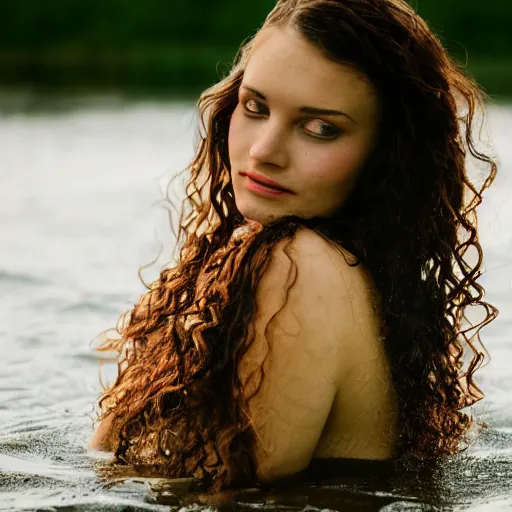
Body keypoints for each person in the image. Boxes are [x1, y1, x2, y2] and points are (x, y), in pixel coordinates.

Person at [90, 0, 498, 492]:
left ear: (388, 156)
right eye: (255, 107)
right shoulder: (351, 274)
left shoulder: (297, 267)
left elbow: (232, 497)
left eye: (321, 128)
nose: (263, 151)